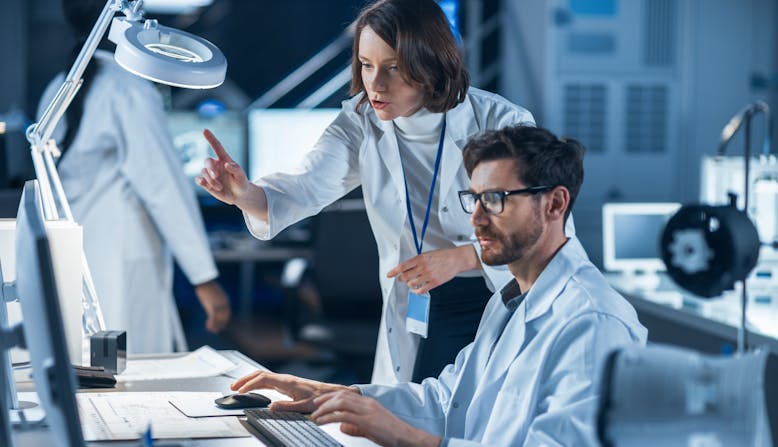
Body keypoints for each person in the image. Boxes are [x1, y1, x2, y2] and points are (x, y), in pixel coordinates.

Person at [198, 0, 569, 385]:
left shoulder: (503, 122)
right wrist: (245, 194)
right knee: (410, 418)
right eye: (366, 64)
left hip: (499, 292)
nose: (375, 84)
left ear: (430, 64)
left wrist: (463, 258)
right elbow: (306, 185)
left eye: (393, 67)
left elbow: (540, 230)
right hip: (420, 299)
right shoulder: (361, 120)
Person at [226, 125, 647, 446]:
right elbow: (446, 402)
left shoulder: (593, 322)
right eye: (474, 199)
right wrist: (333, 395)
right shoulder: (512, 300)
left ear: (555, 203)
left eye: (496, 200)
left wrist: (400, 436)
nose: (476, 219)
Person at [35, 0, 232, 353]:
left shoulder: (56, 89)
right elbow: (163, 187)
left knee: (93, 372)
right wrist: (205, 279)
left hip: (76, 261)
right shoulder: (129, 89)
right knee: (132, 371)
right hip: (122, 258)